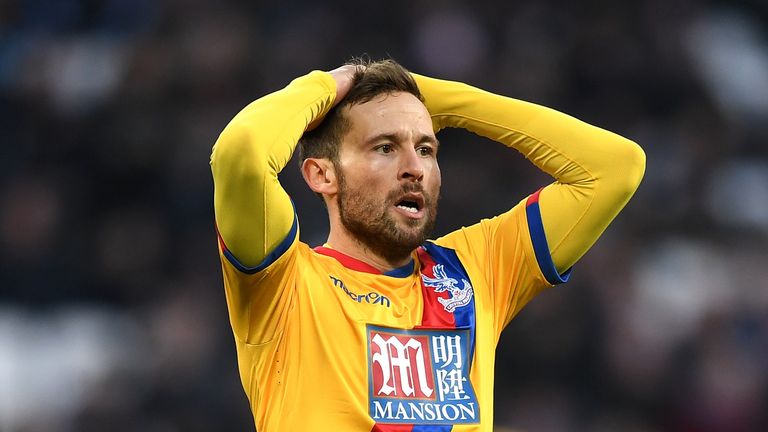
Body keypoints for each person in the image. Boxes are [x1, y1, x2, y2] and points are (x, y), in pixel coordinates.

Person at [210, 58, 645, 431]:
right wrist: (329, 83)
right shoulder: (283, 284)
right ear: (322, 175)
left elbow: (614, 168)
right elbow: (241, 152)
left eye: (426, 148)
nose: (414, 168)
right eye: (384, 147)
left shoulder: (475, 271)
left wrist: (439, 99)